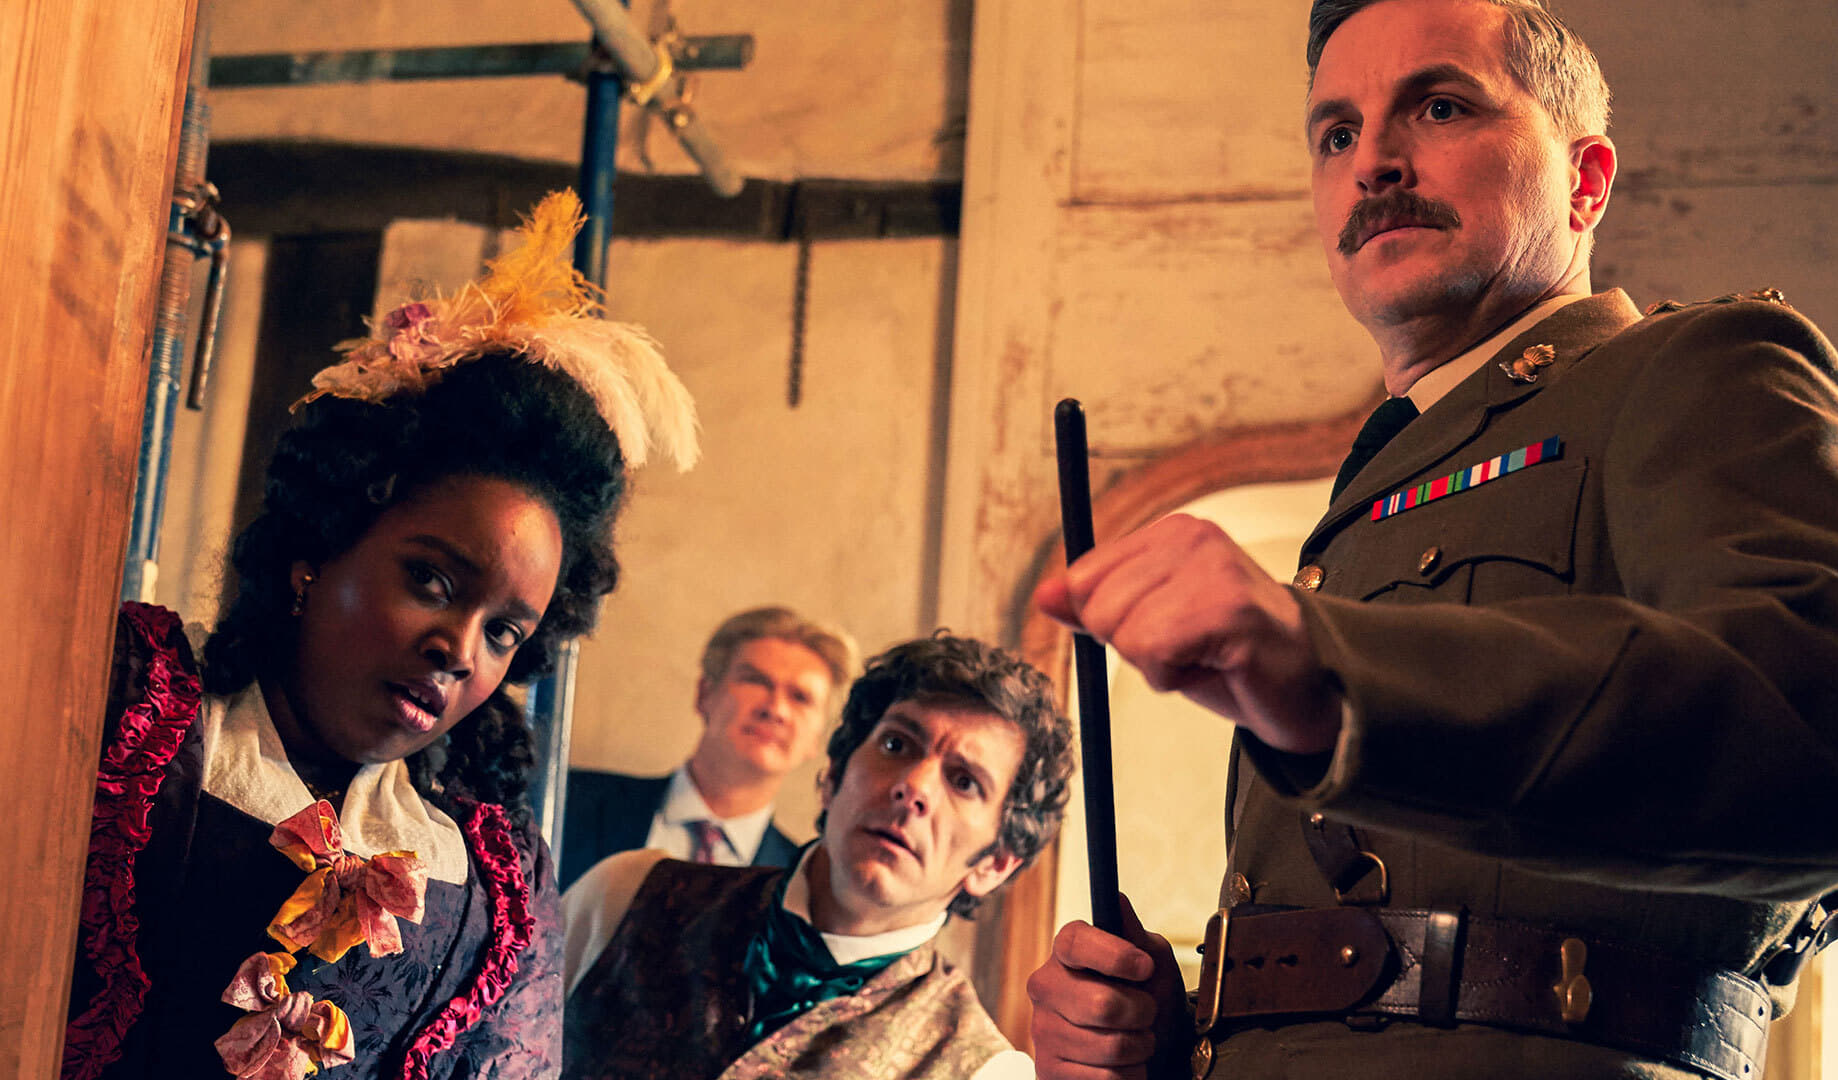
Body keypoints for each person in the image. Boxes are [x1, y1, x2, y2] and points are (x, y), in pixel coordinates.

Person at [1025, 1, 1838, 1078]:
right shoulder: (1367, 498)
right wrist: (1172, 1040)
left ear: (1585, 181)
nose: (1373, 163)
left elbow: (1831, 732)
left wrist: (1333, 672)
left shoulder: (1702, 369)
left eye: (1440, 106)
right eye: (1336, 134)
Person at [61, 190, 699, 1080]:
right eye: (431, 580)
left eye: (504, 631)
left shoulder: (493, 881)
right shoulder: (129, 705)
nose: (460, 651)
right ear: (318, 548)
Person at [561, 634, 1076, 1079]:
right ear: (832, 775)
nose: (914, 787)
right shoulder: (625, 893)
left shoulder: (983, 1070)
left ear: (995, 863)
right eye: (896, 745)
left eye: (964, 782)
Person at [560, 606, 857, 889]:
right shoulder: (566, 799)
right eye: (756, 681)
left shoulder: (806, 885)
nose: (776, 709)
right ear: (705, 694)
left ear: (819, 738)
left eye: (800, 697)